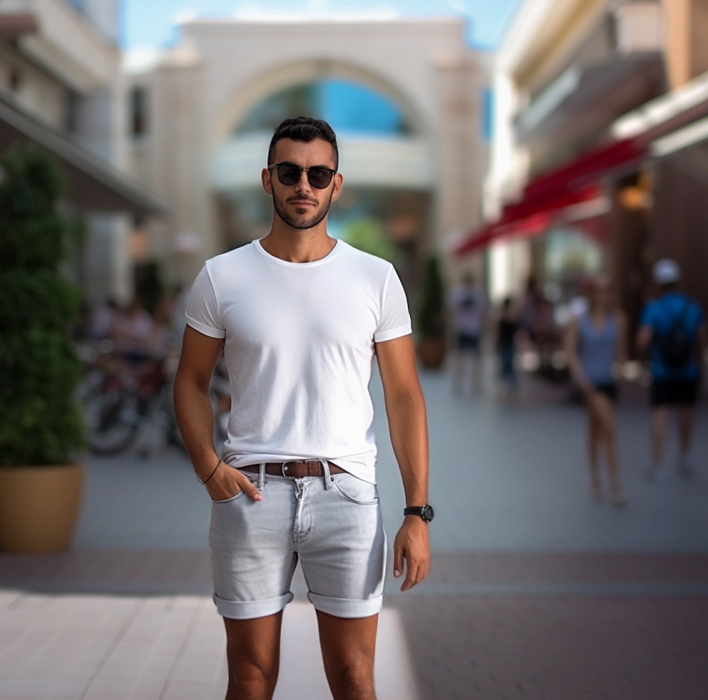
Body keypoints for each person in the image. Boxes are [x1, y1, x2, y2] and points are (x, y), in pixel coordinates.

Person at [173, 116, 431, 700]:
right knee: (250, 676)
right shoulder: (221, 276)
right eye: (290, 172)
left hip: (347, 499)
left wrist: (418, 512)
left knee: (353, 678)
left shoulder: (376, 277)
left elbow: (405, 396)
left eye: (318, 174)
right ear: (268, 180)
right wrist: (209, 469)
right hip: (250, 496)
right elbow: (189, 382)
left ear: (337, 185)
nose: (304, 185)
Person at [636, 259, 707, 480]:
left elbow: (642, 340)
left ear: (658, 283)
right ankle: (684, 458)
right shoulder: (693, 307)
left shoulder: (653, 308)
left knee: (660, 415)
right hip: (688, 370)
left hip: (662, 370)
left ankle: (657, 464)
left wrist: (642, 362)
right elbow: (703, 340)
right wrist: (699, 362)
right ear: (678, 281)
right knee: (686, 414)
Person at [563, 274, 628, 507]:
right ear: (591, 293)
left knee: (595, 430)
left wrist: (620, 373)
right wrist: (581, 380)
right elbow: (570, 352)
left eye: (608, 289)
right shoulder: (578, 320)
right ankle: (615, 485)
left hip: (609, 381)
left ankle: (595, 480)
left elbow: (621, 352)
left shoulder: (618, 319)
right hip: (589, 383)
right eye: (599, 289)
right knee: (609, 429)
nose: (604, 294)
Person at [448, 271, 487, 395]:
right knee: (462, 358)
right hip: (465, 329)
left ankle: (473, 383)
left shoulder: (475, 294)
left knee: (473, 359)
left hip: (470, 329)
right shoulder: (460, 294)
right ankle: (461, 383)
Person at [496, 296, 520, 397]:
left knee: (509, 367)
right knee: (506, 367)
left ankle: (510, 388)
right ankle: (506, 388)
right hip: (505, 344)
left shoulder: (510, 316)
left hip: (509, 345)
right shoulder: (504, 316)